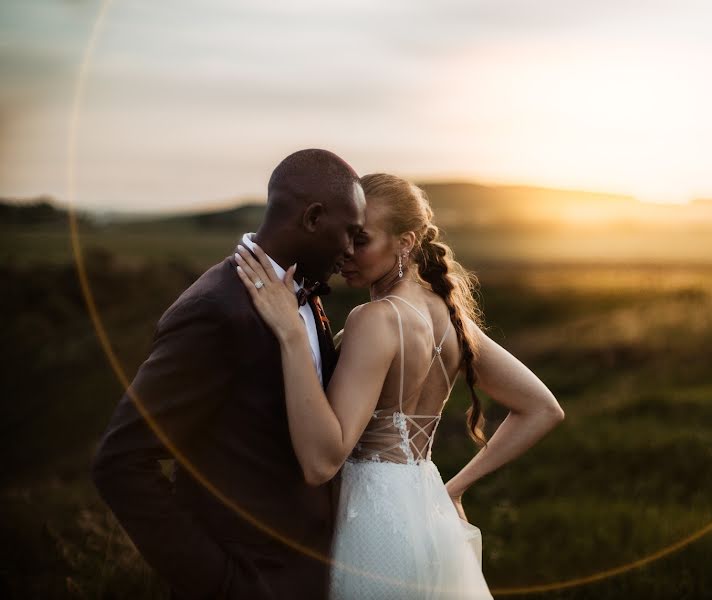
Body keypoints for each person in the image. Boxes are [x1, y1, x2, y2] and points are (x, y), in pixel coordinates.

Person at [234, 173, 565, 599]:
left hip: (370, 522)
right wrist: (453, 489)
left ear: (405, 242)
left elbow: (321, 462)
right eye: (346, 237)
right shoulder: (448, 316)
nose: (345, 253)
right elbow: (542, 407)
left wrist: (291, 335)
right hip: (426, 511)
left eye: (363, 240)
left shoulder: (375, 319)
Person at [91, 148, 366, 600]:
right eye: (350, 233)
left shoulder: (308, 295)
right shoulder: (215, 310)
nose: (352, 250)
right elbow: (119, 462)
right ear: (314, 218)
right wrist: (222, 584)